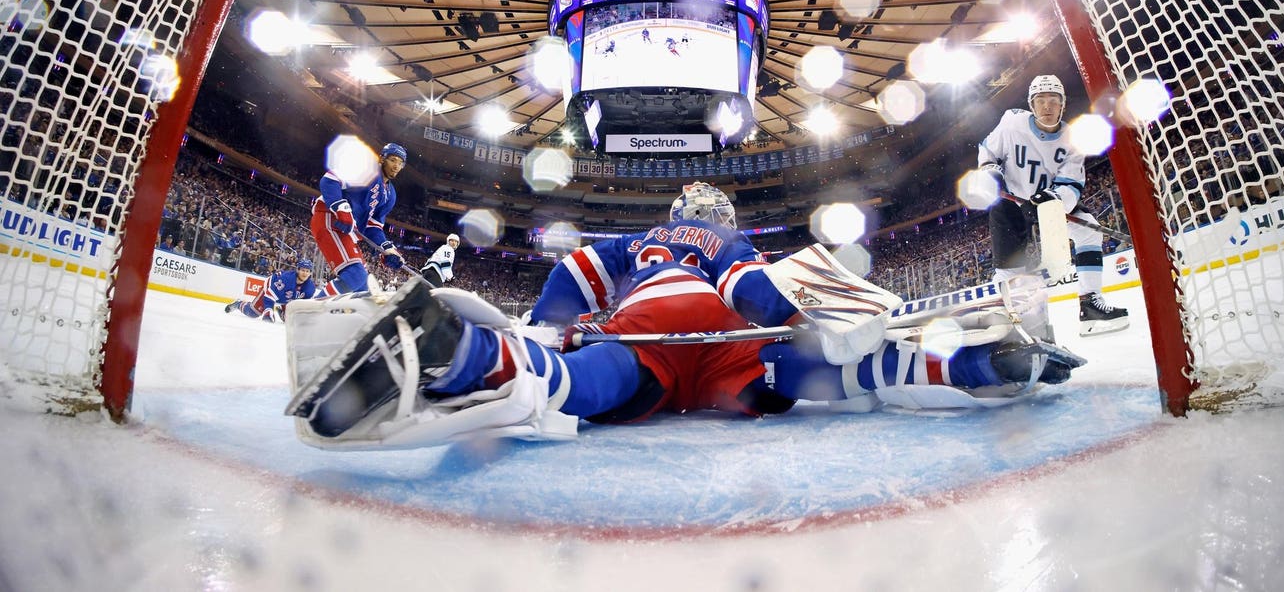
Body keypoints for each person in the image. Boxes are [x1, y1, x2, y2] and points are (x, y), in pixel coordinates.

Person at [287, 183, 1083, 446]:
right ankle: (977, 364)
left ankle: (461, 357)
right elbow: (751, 293)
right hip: (734, 359)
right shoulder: (721, 236)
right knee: (843, 373)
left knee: (573, 382)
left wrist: (545, 330)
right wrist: (807, 329)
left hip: (650, 347)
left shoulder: (641, 241)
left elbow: (571, 272)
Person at [977, 75, 1129, 336]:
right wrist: (990, 171)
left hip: (1046, 204)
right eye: (1040, 101)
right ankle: (1014, 325)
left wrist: (1053, 200)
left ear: (1063, 105)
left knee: (1089, 229)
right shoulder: (1012, 122)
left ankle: (1090, 307)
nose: (1047, 106)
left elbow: (1071, 184)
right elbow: (988, 151)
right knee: (1010, 269)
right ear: (1031, 105)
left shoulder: (1072, 139)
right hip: (1011, 202)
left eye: (1053, 101)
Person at [309, 141, 408, 297]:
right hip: (329, 219)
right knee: (355, 275)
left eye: (400, 163)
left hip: (346, 231)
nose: (396, 165)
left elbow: (373, 226)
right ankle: (309, 313)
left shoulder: (391, 195)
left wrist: (386, 248)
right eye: (393, 160)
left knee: (363, 288)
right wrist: (340, 207)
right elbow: (330, 179)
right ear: (382, 159)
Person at [226, 258, 319, 321]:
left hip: (287, 299)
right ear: (298, 270)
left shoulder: (310, 288)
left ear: (310, 273)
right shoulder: (286, 279)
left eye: (307, 271)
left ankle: (281, 311)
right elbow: (270, 294)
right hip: (270, 290)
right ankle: (239, 303)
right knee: (253, 313)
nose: (305, 273)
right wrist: (268, 309)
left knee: (291, 320)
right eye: (303, 270)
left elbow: (303, 305)